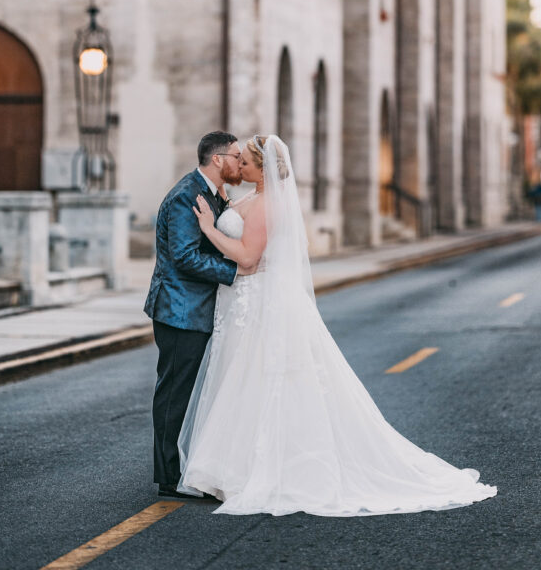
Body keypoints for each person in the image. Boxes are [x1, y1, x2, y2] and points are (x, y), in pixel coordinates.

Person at [178, 134, 497, 516]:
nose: (239, 165)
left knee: (266, 379)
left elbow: (247, 258)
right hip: (245, 304)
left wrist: (211, 230)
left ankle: (268, 467)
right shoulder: (251, 198)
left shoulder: (266, 206)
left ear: (262, 168)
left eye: (245, 161)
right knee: (243, 380)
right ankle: (233, 464)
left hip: (262, 301)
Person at [144, 130, 250, 501]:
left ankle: (188, 468)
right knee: (174, 391)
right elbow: (185, 257)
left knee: (191, 392)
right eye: (237, 156)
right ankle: (168, 477)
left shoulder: (214, 193)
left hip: (198, 308)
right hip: (179, 309)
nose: (241, 162)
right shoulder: (186, 196)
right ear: (218, 159)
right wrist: (236, 272)